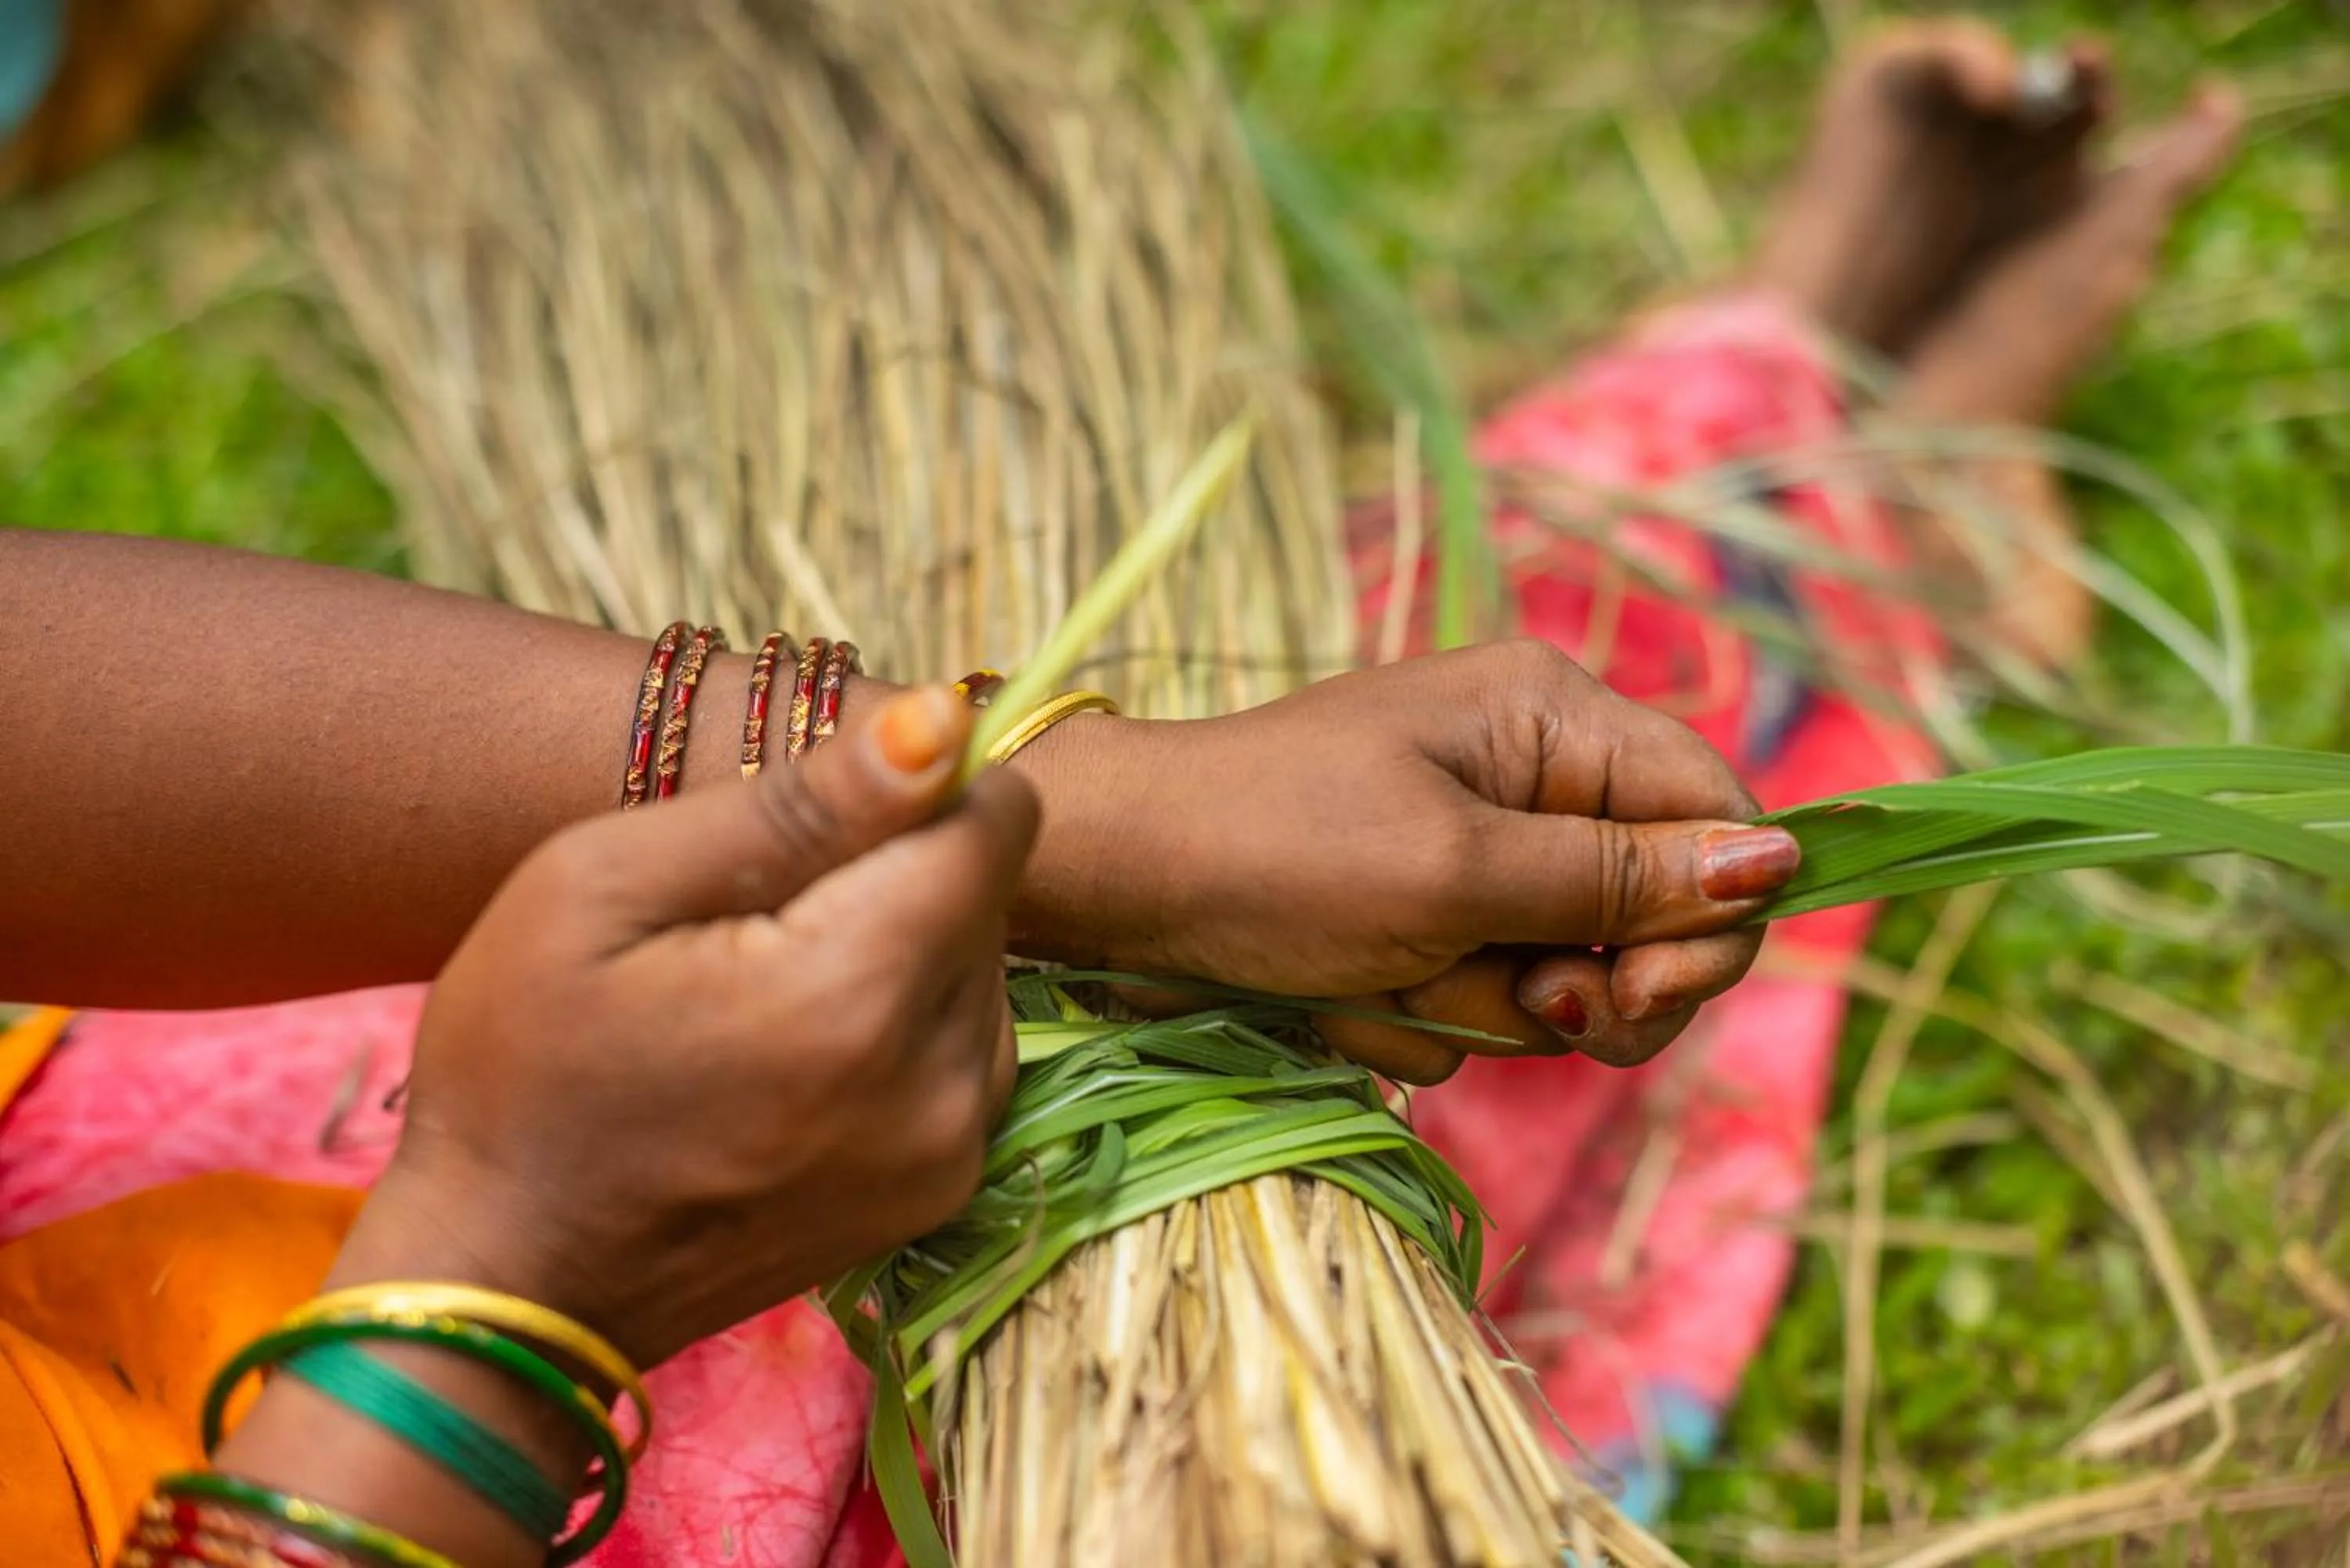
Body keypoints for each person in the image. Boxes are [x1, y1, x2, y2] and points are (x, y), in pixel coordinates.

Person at [0, 16, 2238, 1568]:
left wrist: (1094, 820)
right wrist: (500, 1298)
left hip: (103, 1150)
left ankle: (1771, 433)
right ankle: (1851, 510)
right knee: (1118, 1269)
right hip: (385, 1481)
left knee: (1289, 828)